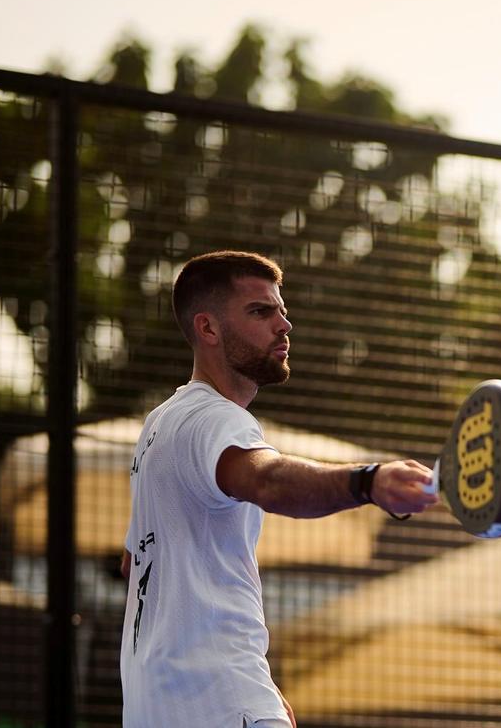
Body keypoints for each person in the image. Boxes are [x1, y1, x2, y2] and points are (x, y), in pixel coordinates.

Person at [119, 250, 438, 728]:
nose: (283, 325)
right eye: (261, 312)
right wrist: (369, 481)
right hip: (221, 703)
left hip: (156, 705)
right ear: (208, 329)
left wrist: (253, 676)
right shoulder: (213, 419)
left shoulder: (158, 427)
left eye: (282, 311)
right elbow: (267, 479)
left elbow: (134, 562)